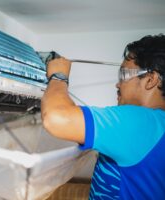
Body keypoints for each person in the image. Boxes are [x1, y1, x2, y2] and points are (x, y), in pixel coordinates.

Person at [41, 34, 165, 199]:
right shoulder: (158, 125)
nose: (117, 84)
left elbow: (56, 118)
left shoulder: (139, 122)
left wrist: (58, 76)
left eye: (124, 75)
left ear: (150, 80)